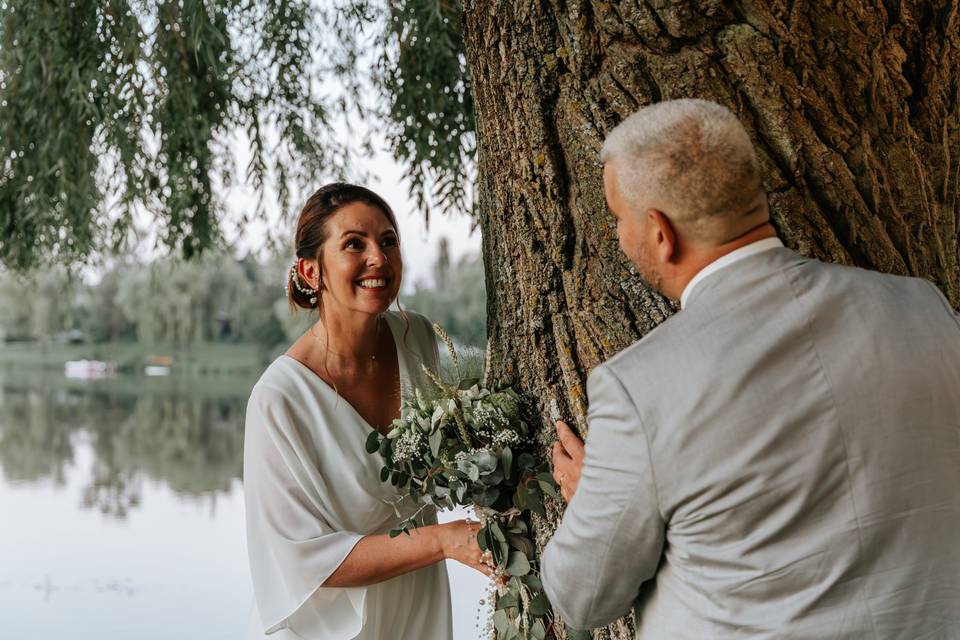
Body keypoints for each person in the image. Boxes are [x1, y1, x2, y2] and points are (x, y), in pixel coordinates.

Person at [542, 99, 960, 638]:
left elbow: (581, 597)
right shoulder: (925, 309)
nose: (619, 237)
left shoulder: (639, 388)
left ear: (660, 233)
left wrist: (593, 503)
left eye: (618, 219)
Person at [243, 183, 489, 640]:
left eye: (388, 241)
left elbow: (451, 454)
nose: (378, 257)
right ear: (311, 271)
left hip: (414, 602)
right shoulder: (278, 399)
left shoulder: (415, 337)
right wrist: (444, 540)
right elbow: (300, 561)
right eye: (354, 243)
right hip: (326, 624)